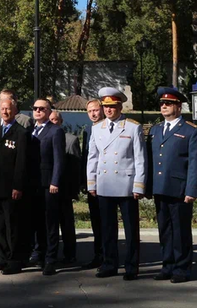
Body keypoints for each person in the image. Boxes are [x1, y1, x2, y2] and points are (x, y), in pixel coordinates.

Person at [148, 86, 197, 283]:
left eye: (168, 103)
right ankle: (168, 265)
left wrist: (192, 190)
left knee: (180, 230)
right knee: (164, 230)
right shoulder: (155, 130)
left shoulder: (191, 131)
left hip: (180, 190)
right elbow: (151, 160)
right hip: (160, 187)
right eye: (162, 103)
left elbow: (196, 164)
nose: (164, 106)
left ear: (178, 107)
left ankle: (182, 268)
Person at [87, 87, 146, 280]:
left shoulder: (132, 127)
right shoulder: (97, 128)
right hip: (105, 184)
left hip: (126, 184)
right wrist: (91, 183)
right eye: (105, 107)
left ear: (120, 106)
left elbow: (140, 158)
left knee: (130, 230)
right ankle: (109, 264)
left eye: (112, 106)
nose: (108, 110)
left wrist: (139, 184)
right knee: (107, 229)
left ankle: (131, 266)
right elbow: (92, 158)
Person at [0, 93, 28, 275]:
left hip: (11, 189)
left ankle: (15, 260)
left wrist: (18, 186)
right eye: (2, 109)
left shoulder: (21, 133)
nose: (5, 111)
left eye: (8, 109)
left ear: (15, 110)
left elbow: (21, 162)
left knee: (13, 227)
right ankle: (1, 258)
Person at [27, 97, 65, 275]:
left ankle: (51, 259)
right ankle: (39, 254)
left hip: (48, 183)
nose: (38, 111)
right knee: (36, 221)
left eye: (42, 109)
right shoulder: (30, 130)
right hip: (33, 184)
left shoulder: (55, 131)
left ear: (49, 112)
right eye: (35, 108)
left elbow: (59, 159)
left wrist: (55, 181)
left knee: (50, 223)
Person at [49, 109, 80, 264]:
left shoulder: (71, 140)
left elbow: (75, 168)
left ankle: (70, 254)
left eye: (55, 120)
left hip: (64, 190)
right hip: (48, 190)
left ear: (60, 122)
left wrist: (73, 190)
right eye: (51, 120)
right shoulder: (43, 137)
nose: (53, 122)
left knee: (66, 224)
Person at [80, 97, 105, 269]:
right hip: (93, 183)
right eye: (89, 111)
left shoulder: (108, 128)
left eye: (95, 110)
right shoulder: (88, 130)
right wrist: (85, 181)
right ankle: (99, 254)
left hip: (108, 182)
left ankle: (108, 255)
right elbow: (86, 158)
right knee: (96, 221)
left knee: (106, 222)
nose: (93, 114)